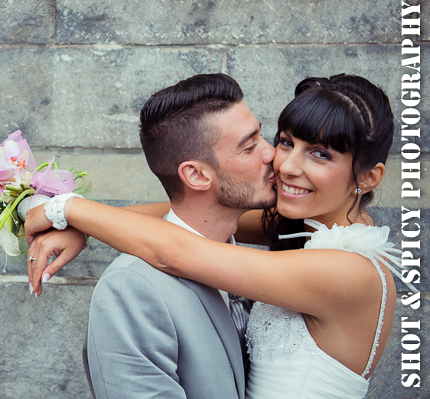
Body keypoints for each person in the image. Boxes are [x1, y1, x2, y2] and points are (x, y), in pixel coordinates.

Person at [25, 74, 415, 399]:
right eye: (286, 141)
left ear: (368, 177)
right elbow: (176, 215)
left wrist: (67, 208)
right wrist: (81, 228)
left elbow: (175, 249)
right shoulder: (308, 227)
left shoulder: (349, 272)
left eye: (321, 155)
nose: (286, 165)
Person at [28, 74, 277, 398]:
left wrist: (80, 220)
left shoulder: (253, 253)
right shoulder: (131, 291)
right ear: (196, 175)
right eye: (250, 146)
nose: (271, 153)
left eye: (262, 136)